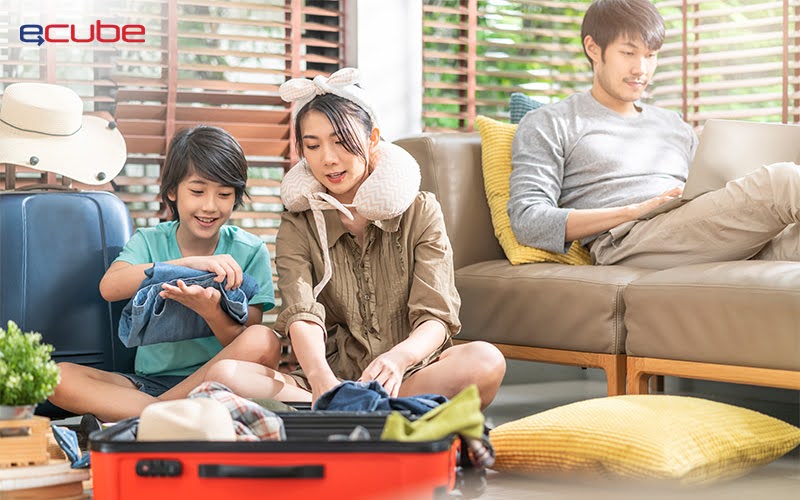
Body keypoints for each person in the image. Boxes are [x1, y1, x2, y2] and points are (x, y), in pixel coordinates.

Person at [203, 68, 506, 409]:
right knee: (227, 376)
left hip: (408, 375)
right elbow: (303, 313)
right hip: (326, 381)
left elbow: (435, 315)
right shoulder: (297, 224)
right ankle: (356, 409)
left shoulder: (421, 210)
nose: (328, 159)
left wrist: (398, 359)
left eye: (341, 141)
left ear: (372, 139)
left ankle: (353, 410)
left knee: (485, 360)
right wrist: (322, 382)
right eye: (313, 146)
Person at [509, 0, 800, 269]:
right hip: (627, 239)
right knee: (783, 181)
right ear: (593, 48)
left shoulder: (672, 124)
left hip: (692, 226)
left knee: (793, 244)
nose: (641, 69)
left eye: (651, 56)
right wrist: (632, 211)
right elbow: (528, 220)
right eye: (628, 53)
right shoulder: (551, 121)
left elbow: (707, 195)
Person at [49, 126, 280, 422]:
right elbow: (110, 287)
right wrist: (188, 264)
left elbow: (246, 340)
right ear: (173, 191)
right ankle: (166, 411)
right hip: (149, 384)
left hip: (221, 382)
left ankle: (157, 412)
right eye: (197, 191)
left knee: (264, 338)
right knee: (57, 376)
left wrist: (210, 312)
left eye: (224, 194)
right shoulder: (150, 240)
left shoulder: (250, 250)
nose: (210, 206)